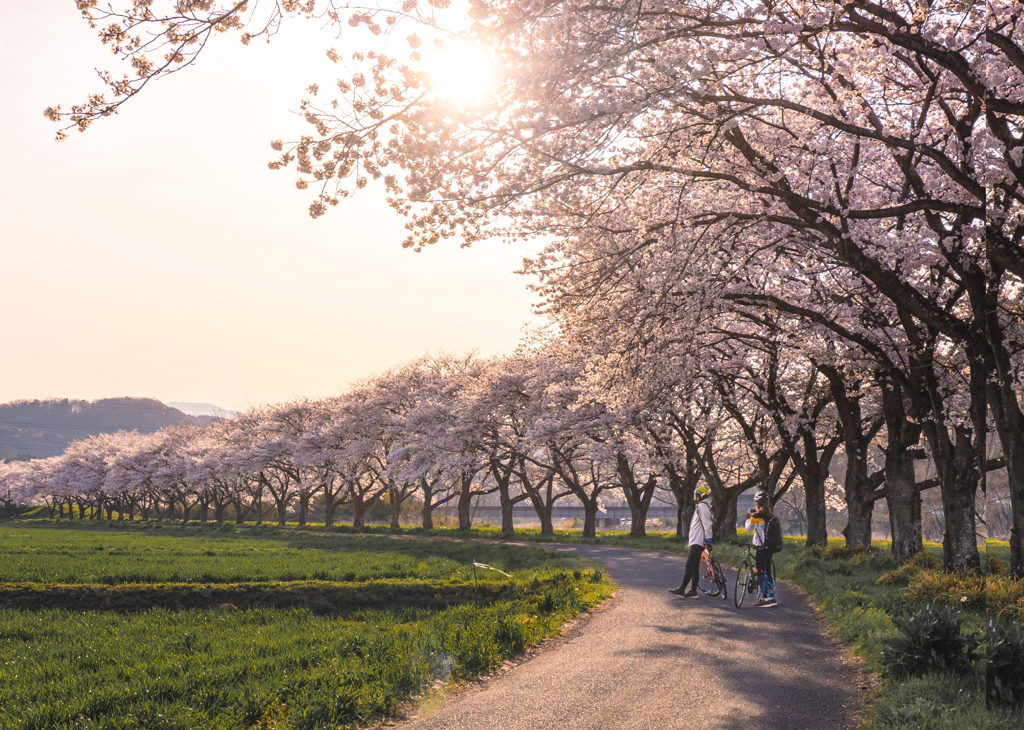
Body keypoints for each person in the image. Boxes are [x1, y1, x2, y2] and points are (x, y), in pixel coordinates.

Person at [669, 485, 714, 598]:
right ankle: (693, 591)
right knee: (694, 567)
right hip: (696, 540)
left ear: (700, 496)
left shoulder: (703, 507)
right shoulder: (701, 507)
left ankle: (682, 589)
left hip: (698, 541)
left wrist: (708, 540)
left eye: (696, 495)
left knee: (689, 565)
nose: (695, 497)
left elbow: (707, 524)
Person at [744, 491, 778, 607]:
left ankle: (764, 598)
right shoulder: (769, 515)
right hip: (770, 547)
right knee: (768, 571)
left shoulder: (758, 516)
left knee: (760, 572)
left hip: (761, 547)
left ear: (757, 503)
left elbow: (749, 528)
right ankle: (771, 596)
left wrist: (748, 518)